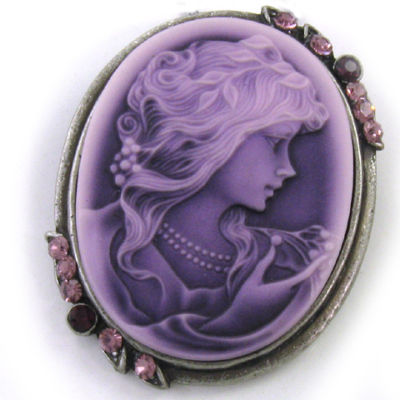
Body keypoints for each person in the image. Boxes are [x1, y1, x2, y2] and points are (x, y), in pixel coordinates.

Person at [79, 34, 335, 359]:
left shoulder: (288, 257)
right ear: (212, 133)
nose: (288, 168)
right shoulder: (97, 238)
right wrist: (237, 321)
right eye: (274, 142)